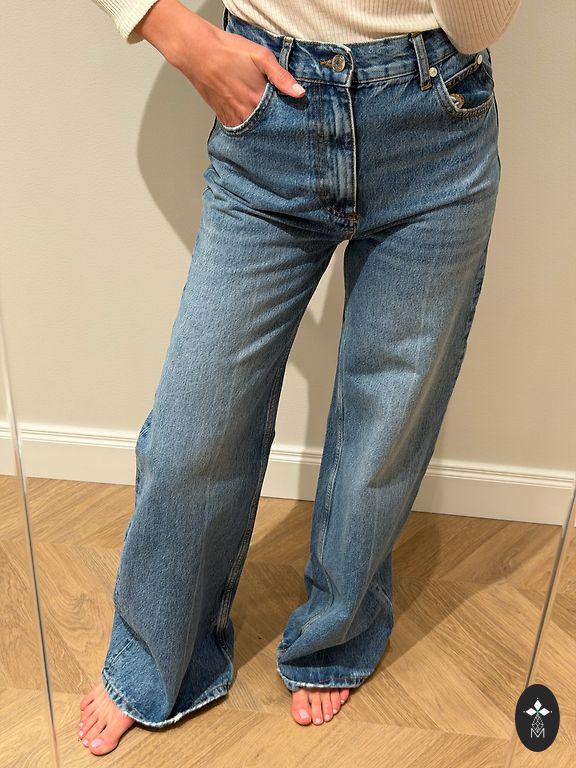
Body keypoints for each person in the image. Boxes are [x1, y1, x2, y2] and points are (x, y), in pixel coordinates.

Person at [79, 0, 522, 756]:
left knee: (384, 426)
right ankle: (157, 654)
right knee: (193, 435)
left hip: (438, 118)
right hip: (269, 119)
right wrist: (179, 36)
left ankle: (335, 634)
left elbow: (481, 24)